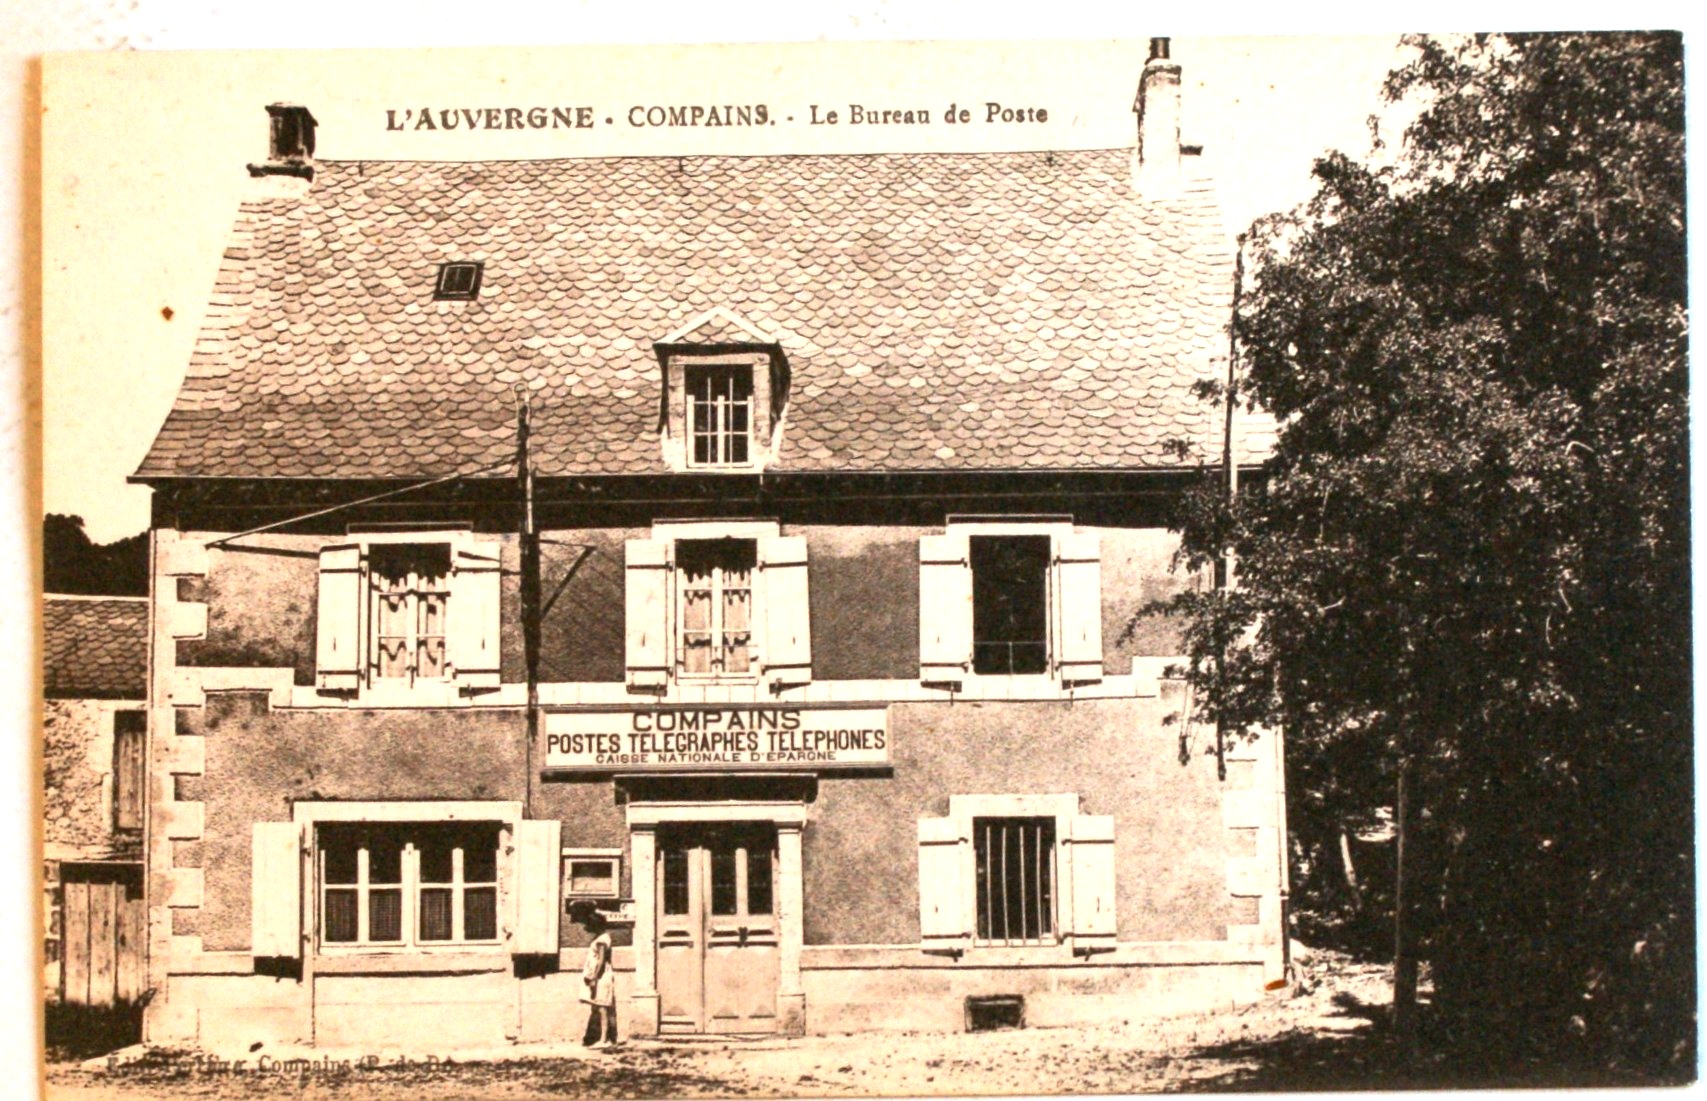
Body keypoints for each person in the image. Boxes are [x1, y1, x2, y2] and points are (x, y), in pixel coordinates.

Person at [574, 902, 617, 1047]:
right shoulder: (601, 937)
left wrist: (594, 977)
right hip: (600, 976)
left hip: (601, 977)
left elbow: (601, 960)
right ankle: (603, 1038)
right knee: (599, 1007)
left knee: (602, 1007)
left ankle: (604, 1039)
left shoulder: (602, 940)